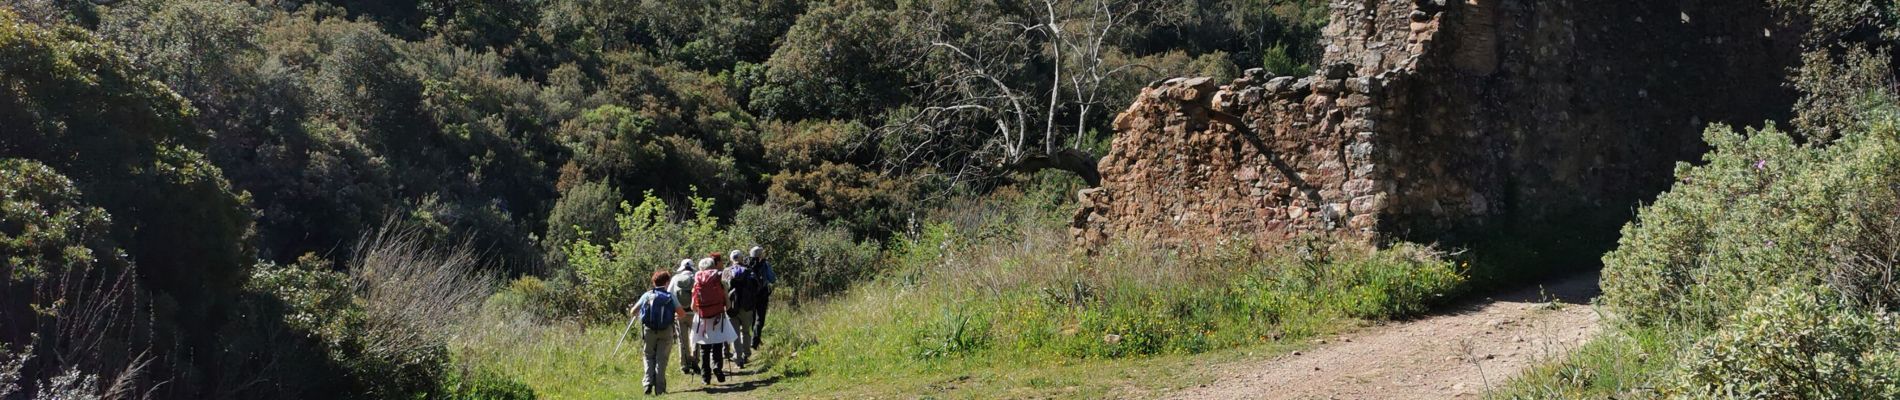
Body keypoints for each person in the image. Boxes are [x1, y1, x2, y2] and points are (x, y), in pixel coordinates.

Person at [629, 269, 682, 395]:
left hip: (649, 330)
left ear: (654, 282)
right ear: (667, 282)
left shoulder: (647, 295)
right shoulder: (670, 296)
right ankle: (660, 389)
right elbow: (681, 313)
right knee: (661, 359)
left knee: (648, 356)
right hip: (666, 330)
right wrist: (673, 317)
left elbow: (633, 311)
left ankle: (647, 383)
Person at [691, 254, 738, 384]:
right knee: (717, 343)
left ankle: (705, 377)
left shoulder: (697, 281)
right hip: (718, 316)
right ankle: (717, 366)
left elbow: (693, 306)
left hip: (702, 318)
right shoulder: (719, 279)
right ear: (713, 265)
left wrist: (700, 310)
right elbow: (727, 304)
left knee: (704, 348)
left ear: (701, 268)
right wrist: (724, 307)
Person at [724, 249, 758, 368]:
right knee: (746, 332)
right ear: (742, 259)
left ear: (731, 259)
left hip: (731, 307)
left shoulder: (726, 272)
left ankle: (738, 359)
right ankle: (746, 354)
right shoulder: (748, 271)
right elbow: (756, 286)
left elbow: (722, 289)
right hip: (747, 306)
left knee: (735, 334)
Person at [667, 258, 698, 375]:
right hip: (694, 313)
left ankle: (684, 365)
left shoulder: (675, 279)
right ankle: (695, 360)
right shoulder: (697, 276)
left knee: (682, 340)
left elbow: (670, 294)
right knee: (695, 338)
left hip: (680, 313)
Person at [746, 246, 776, 349]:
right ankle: (755, 340)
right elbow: (772, 279)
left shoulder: (747, 264)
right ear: (760, 254)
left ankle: (754, 338)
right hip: (762, 294)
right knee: (760, 318)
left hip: (750, 295)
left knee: (753, 317)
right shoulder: (765, 264)